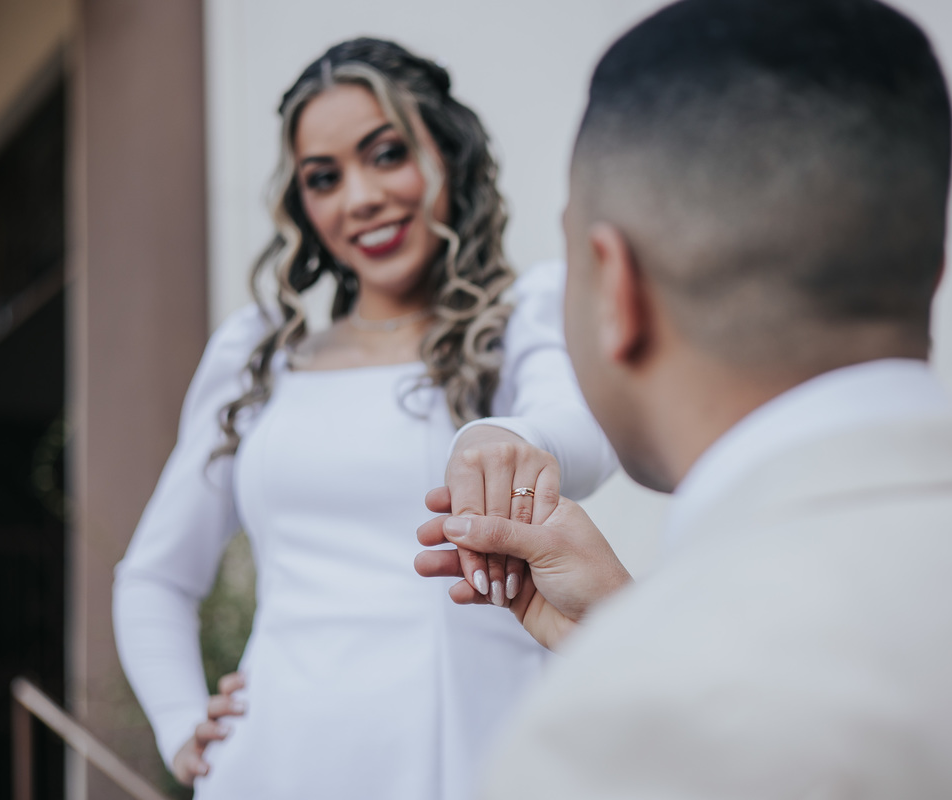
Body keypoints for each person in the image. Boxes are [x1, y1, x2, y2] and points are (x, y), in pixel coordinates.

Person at [416, 1, 952, 797]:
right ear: (932, 269)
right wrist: (625, 624)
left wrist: (632, 663)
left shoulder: (614, 730)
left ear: (615, 286)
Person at [113, 38, 615, 800]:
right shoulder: (258, 358)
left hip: (469, 755)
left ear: (446, 155)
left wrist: (513, 440)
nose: (360, 198)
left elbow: (585, 429)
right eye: (324, 177)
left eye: (387, 155)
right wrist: (182, 724)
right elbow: (154, 576)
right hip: (274, 763)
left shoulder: (519, 320)